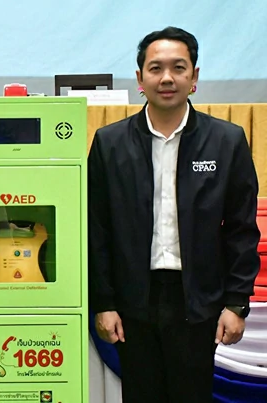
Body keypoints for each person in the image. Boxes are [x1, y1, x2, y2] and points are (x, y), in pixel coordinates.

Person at [88, 26, 260, 403]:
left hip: (198, 302)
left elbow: (241, 230)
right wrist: (104, 303)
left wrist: (236, 303)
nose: (167, 78)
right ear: (140, 79)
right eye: (156, 68)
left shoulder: (227, 141)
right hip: (132, 302)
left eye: (178, 68)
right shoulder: (109, 143)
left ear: (194, 76)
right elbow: (97, 231)